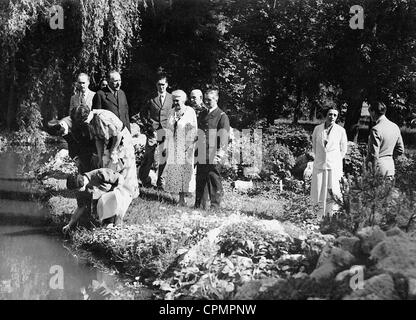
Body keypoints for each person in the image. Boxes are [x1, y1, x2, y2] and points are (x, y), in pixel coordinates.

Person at [71, 105, 139, 200]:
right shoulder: (90, 122)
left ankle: (129, 194)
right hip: (109, 141)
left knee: (124, 167)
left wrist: (113, 151)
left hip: (122, 141)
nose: (82, 124)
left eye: (82, 121)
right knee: (106, 165)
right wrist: (100, 157)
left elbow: (117, 135)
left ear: (86, 116)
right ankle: (112, 194)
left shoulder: (101, 117)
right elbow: (98, 139)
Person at [62, 168, 132, 233]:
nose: (76, 191)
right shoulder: (81, 192)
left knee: (103, 200)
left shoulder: (99, 174)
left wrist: (118, 188)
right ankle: (107, 227)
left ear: (81, 184)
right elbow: (80, 207)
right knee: (105, 225)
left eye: (76, 189)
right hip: (104, 208)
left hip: (121, 194)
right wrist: (69, 224)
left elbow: (120, 177)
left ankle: (117, 227)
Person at [194, 89, 230, 210]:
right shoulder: (203, 114)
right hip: (202, 152)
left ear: (216, 99)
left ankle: (215, 207)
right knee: (200, 178)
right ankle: (199, 205)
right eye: (205, 99)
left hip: (213, 153)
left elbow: (224, 137)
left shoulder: (222, 116)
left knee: (214, 179)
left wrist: (219, 154)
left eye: (209, 100)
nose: (207, 102)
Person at [310, 107, 348, 218]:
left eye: (335, 115)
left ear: (337, 117)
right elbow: (314, 146)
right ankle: (316, 214)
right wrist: (320, 157)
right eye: (330, 114)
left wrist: (335, 159)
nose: (332, 117)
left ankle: (332, 214)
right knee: (318, 188)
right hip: (320, 163)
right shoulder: (317, 129)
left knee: (333, 189)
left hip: (334, 165)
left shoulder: (341, 131)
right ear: (326, 115)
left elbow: (343, 149)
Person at [163, 90, 198, 206]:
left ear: (183, 100)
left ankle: (183, 199)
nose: (175, 102)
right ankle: (178, 197)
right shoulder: (171, 112)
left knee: (184, 172)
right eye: (173, 100)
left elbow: (194, 131)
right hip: (173, 146)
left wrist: (188, 145)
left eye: (177, 100)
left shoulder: (190, 112)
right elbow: (168, 130)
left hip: (186, 147)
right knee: (175, 172)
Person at [139, 72, 173, 189]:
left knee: (164, 156)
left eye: (163, 84)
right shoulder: (151, 97)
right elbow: (142, 113)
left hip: (166, 130)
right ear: (156, 85)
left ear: (167, 85)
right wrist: (148, 126)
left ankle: (161, 182)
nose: (161, 87)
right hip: (152, 131)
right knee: (149, 156)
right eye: (159, 85)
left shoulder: (171, 98)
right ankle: (144, 179)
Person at [365, 101, 404, 177]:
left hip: (378, 170)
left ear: (373, 112)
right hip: (390, 169)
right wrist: (388, 156)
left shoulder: (376, 129)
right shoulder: (395, 127)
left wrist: (371, 172)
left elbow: (374, 155)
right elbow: (400, 150)